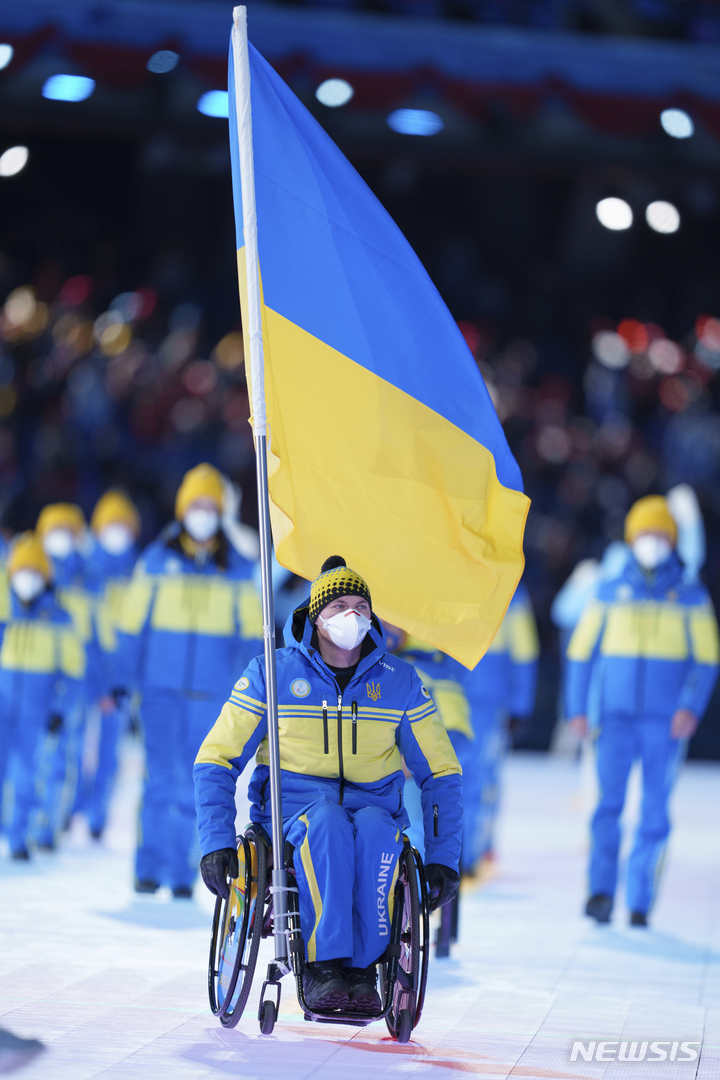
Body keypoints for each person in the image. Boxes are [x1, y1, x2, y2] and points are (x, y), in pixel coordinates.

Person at [194, 556, 462, 1014]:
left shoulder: (400, 682)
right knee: (330, 823)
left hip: (375, 808)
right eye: (339, 606)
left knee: (379, 830)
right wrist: (216, 841)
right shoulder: (271, 674)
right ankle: (325, 964)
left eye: (361, 606)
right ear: (316, 616)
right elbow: (216, 757)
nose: (352, 616)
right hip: (294, 811)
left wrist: (443, 858)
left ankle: (362, 970)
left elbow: (441, 772)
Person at [565, 495, 720, 927]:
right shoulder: (610, 590)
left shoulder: (690, 595)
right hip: (614, 718)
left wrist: (690, 707)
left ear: (672, 540)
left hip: (664, 723)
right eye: (644, 534)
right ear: (632, 538)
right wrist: (578, 707)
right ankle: (600, 891)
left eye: (660, 534)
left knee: (654, 811)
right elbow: (581, 652)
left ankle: (640, 900)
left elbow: (707, 659)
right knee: (606, 806)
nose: (652, 541)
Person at [117, 463, 262, 897]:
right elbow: (130, 626)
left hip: (213, 696)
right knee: (159, 779)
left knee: (195, 783)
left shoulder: (237, 568)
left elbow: (252, 637)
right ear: (183, 510)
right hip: (160, 690)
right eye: (196, 505)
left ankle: (183, 873)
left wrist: (253, 696)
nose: (203, 513)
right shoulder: (157, 561)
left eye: (210, 506)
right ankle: (149, 866)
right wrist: (122, 681)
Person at [0, 533, 86, 858]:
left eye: (35, 572)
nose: (28, 580)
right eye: (22, 571)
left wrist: (60, 709)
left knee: (28, 776)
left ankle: (20, 837)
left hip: (36, 711)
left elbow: (73, 672)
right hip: (3, 704)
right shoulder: (4, 615)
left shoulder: (59, 619)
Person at [462, 583, 539, 874]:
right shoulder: (441, 574)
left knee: (479, 778)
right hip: (454, 693)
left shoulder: (509, 592)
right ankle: (457, 854)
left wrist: (520, 702)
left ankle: (471, 854)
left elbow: (524, 650)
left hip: (487, 700)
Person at [34, 502, 95, 846]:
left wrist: (103, 684)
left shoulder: (87, 578)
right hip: (31, 676)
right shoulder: (24, 570)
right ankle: (22, 820)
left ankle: (50, 823)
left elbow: (99, 638)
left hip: (74, 678)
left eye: (66, 532)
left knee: (62, 752)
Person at [82, 490, 142, 839]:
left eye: (122, 525)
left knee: (109, 751)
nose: (116, 532)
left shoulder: (138, 572)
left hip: (119, 678)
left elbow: (132, 635)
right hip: (86, 673)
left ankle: (96, 816)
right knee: (72, 746)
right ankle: (70, 807)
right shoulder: (85, 572)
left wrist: (122, 681)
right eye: (110, 525)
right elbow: (85, 634)